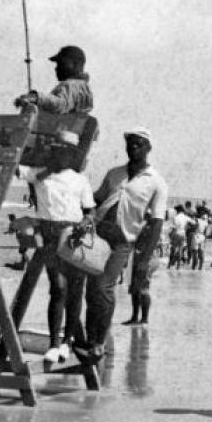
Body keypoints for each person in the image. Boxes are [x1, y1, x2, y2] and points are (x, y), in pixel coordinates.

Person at [70, 128, 167, 364]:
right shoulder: (114, 174)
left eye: (139, 144)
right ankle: (91, 339)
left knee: (104, 287)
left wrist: (143, 261)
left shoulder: (156, 182)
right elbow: (96, 199)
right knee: (91, 291)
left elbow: (156, 222)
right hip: (98, 236)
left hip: (123, 241)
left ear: (148, 148)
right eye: (130, 144)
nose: (133, 148)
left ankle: (99, 342)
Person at [14, 131, 95, 358]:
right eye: (56, 150)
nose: (60, 155)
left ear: (72, 155)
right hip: (50, 236)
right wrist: (39, 152)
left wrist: (86, 222)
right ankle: (53, 343)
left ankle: (67, 341)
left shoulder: (80, 179)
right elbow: (13, 166)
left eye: (65, 152)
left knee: (75, 291)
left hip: (74, 236)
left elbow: (90, 210)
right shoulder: (39, 175)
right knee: (58, 288)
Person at [13, 45, 94, 114]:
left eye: (61, 64)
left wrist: (36, 98)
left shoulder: (72, 85)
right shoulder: (83, 88)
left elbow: (61, 104)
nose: (56, 68)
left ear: (76, 64)